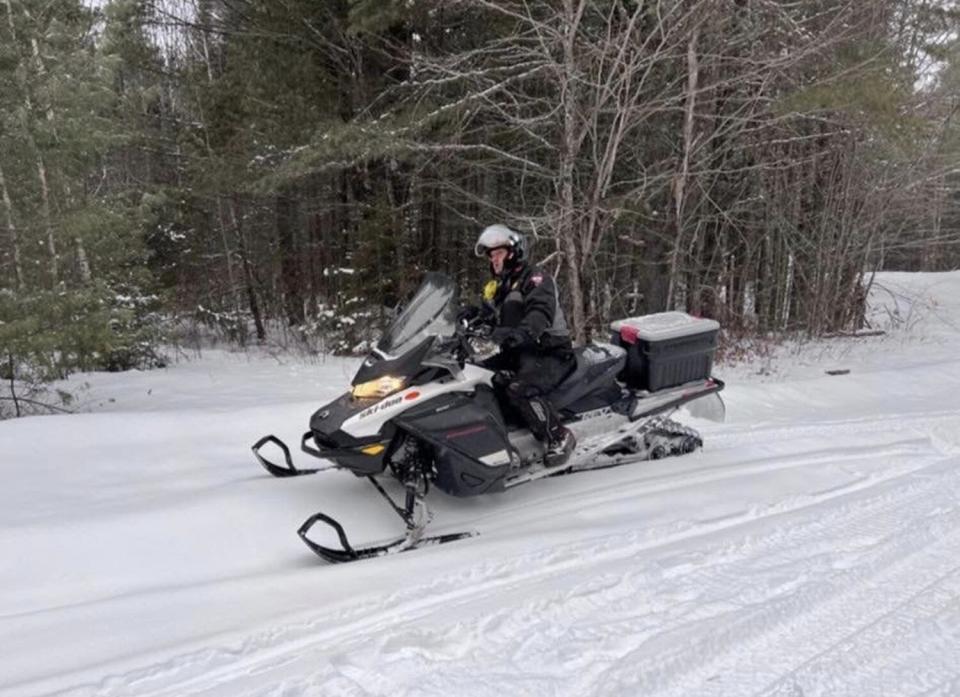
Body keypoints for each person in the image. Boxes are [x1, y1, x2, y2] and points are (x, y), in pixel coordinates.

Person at [459, 224, 577, 467]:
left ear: (514, 252)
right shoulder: (499, 286)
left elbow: (539, 313)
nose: (495, 260)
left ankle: (558, 436)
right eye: (491, 256)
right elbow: (485, 313)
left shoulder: (536, 279)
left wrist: (518, 334)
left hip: (549, 350)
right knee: (474, 375)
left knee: (520, 387)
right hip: (518, 350)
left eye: (499, 253)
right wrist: (460, 318)